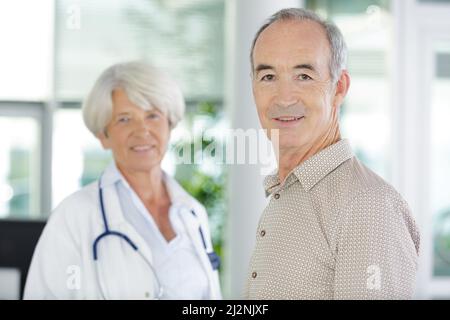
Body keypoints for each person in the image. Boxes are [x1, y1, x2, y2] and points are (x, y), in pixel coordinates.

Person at [244, 8, 420, 299]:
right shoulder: (285, 193)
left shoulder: (367, 206)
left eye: (303, 75)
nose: (284, 98)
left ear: (339, 87)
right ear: (253, 89)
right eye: (268, 76)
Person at [24, 61, 221, 300]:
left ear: (170, 126)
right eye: (124, 119)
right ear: (103, 135)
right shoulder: (73, 215)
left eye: (152, 116)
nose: (142, 131)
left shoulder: (192, 213)